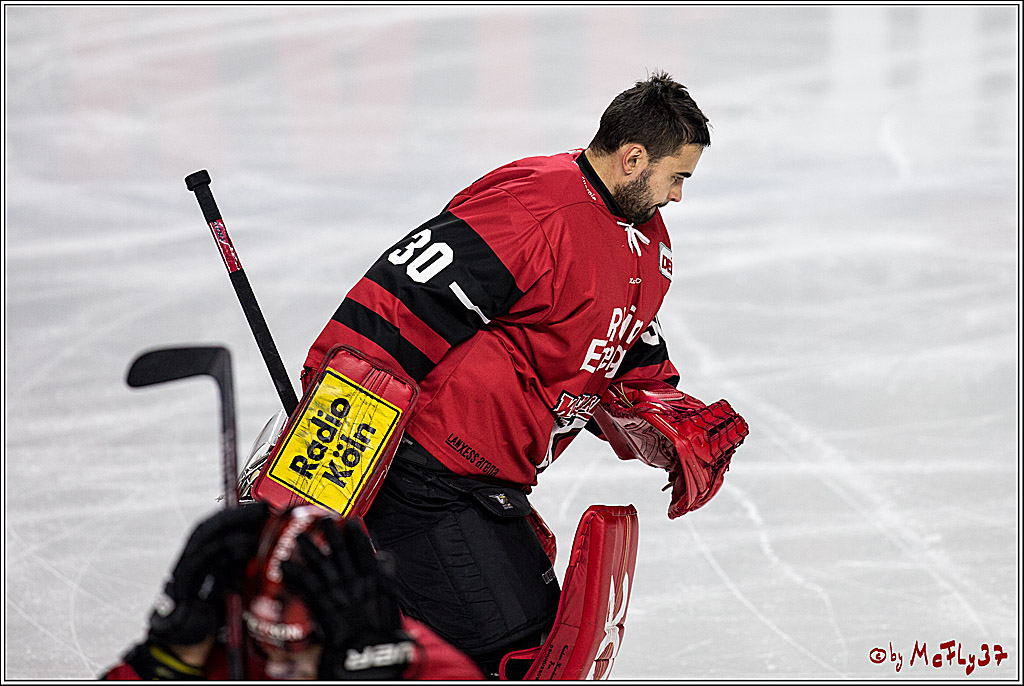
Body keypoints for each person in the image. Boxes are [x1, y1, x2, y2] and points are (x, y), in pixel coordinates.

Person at [300, 70, 728, 676]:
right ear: (634, 158)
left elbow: (626, 346)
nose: (679, 196)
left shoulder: (646, 241)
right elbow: (403, 298)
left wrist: (664, 419)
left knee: (480, 648)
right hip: (424, 473)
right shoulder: (533, 208)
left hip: (490, 477)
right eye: (677, 176)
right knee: (518, 652)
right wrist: (321, 444)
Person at [102, 503, 483, 680]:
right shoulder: (236, 661)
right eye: (270, 656)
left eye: (295, 663)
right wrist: (171, 658)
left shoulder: (418, 664)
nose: (279, 674)